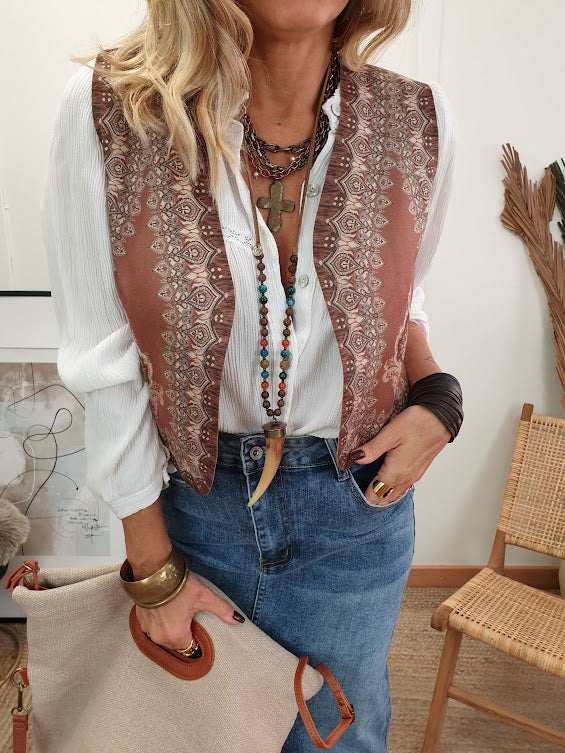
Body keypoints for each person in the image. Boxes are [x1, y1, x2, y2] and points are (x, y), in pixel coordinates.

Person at [42, 1, 462, 750]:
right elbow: (104, 358)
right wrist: (154, 571)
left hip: (357, 511)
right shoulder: (113, 113)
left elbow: (406, 298)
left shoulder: (419, 121)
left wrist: (439, 398)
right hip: (193, 514)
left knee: (340, 737)